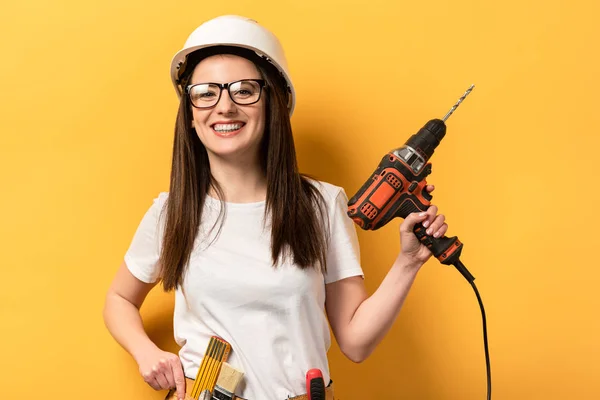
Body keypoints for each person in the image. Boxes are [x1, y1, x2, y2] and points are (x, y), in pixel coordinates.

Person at [103, 15, 448, 400]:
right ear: (190, 115)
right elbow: (118, 300)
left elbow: (355, 342)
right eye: (206, 93)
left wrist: (408, 261)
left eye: (244, 90)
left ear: (273, 104)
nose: (225, 106)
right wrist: (145, 350)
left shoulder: (321, 205)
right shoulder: (172, 212)